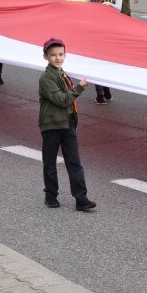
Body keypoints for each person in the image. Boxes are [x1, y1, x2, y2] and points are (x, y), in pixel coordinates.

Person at [39, 37, 96, 212]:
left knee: (74, 162)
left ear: (65, 55)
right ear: (46, 57)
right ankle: (50, 195)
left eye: (61, 54)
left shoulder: (63, 74)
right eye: (53, 55)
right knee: (50, 162)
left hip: (67, 123)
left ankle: (81, 198)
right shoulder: (46, 78)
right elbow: (61, 100)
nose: (58, 58)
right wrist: (79, 88)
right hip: (51, 125)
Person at [87, 0, 122, 105]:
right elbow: (87, 5)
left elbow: (119, 7)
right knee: (95, 59)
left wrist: (109, 5)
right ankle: (99, 92)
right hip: (95, 29)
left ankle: (106, 86)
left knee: (106, 60)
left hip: (110, 29)